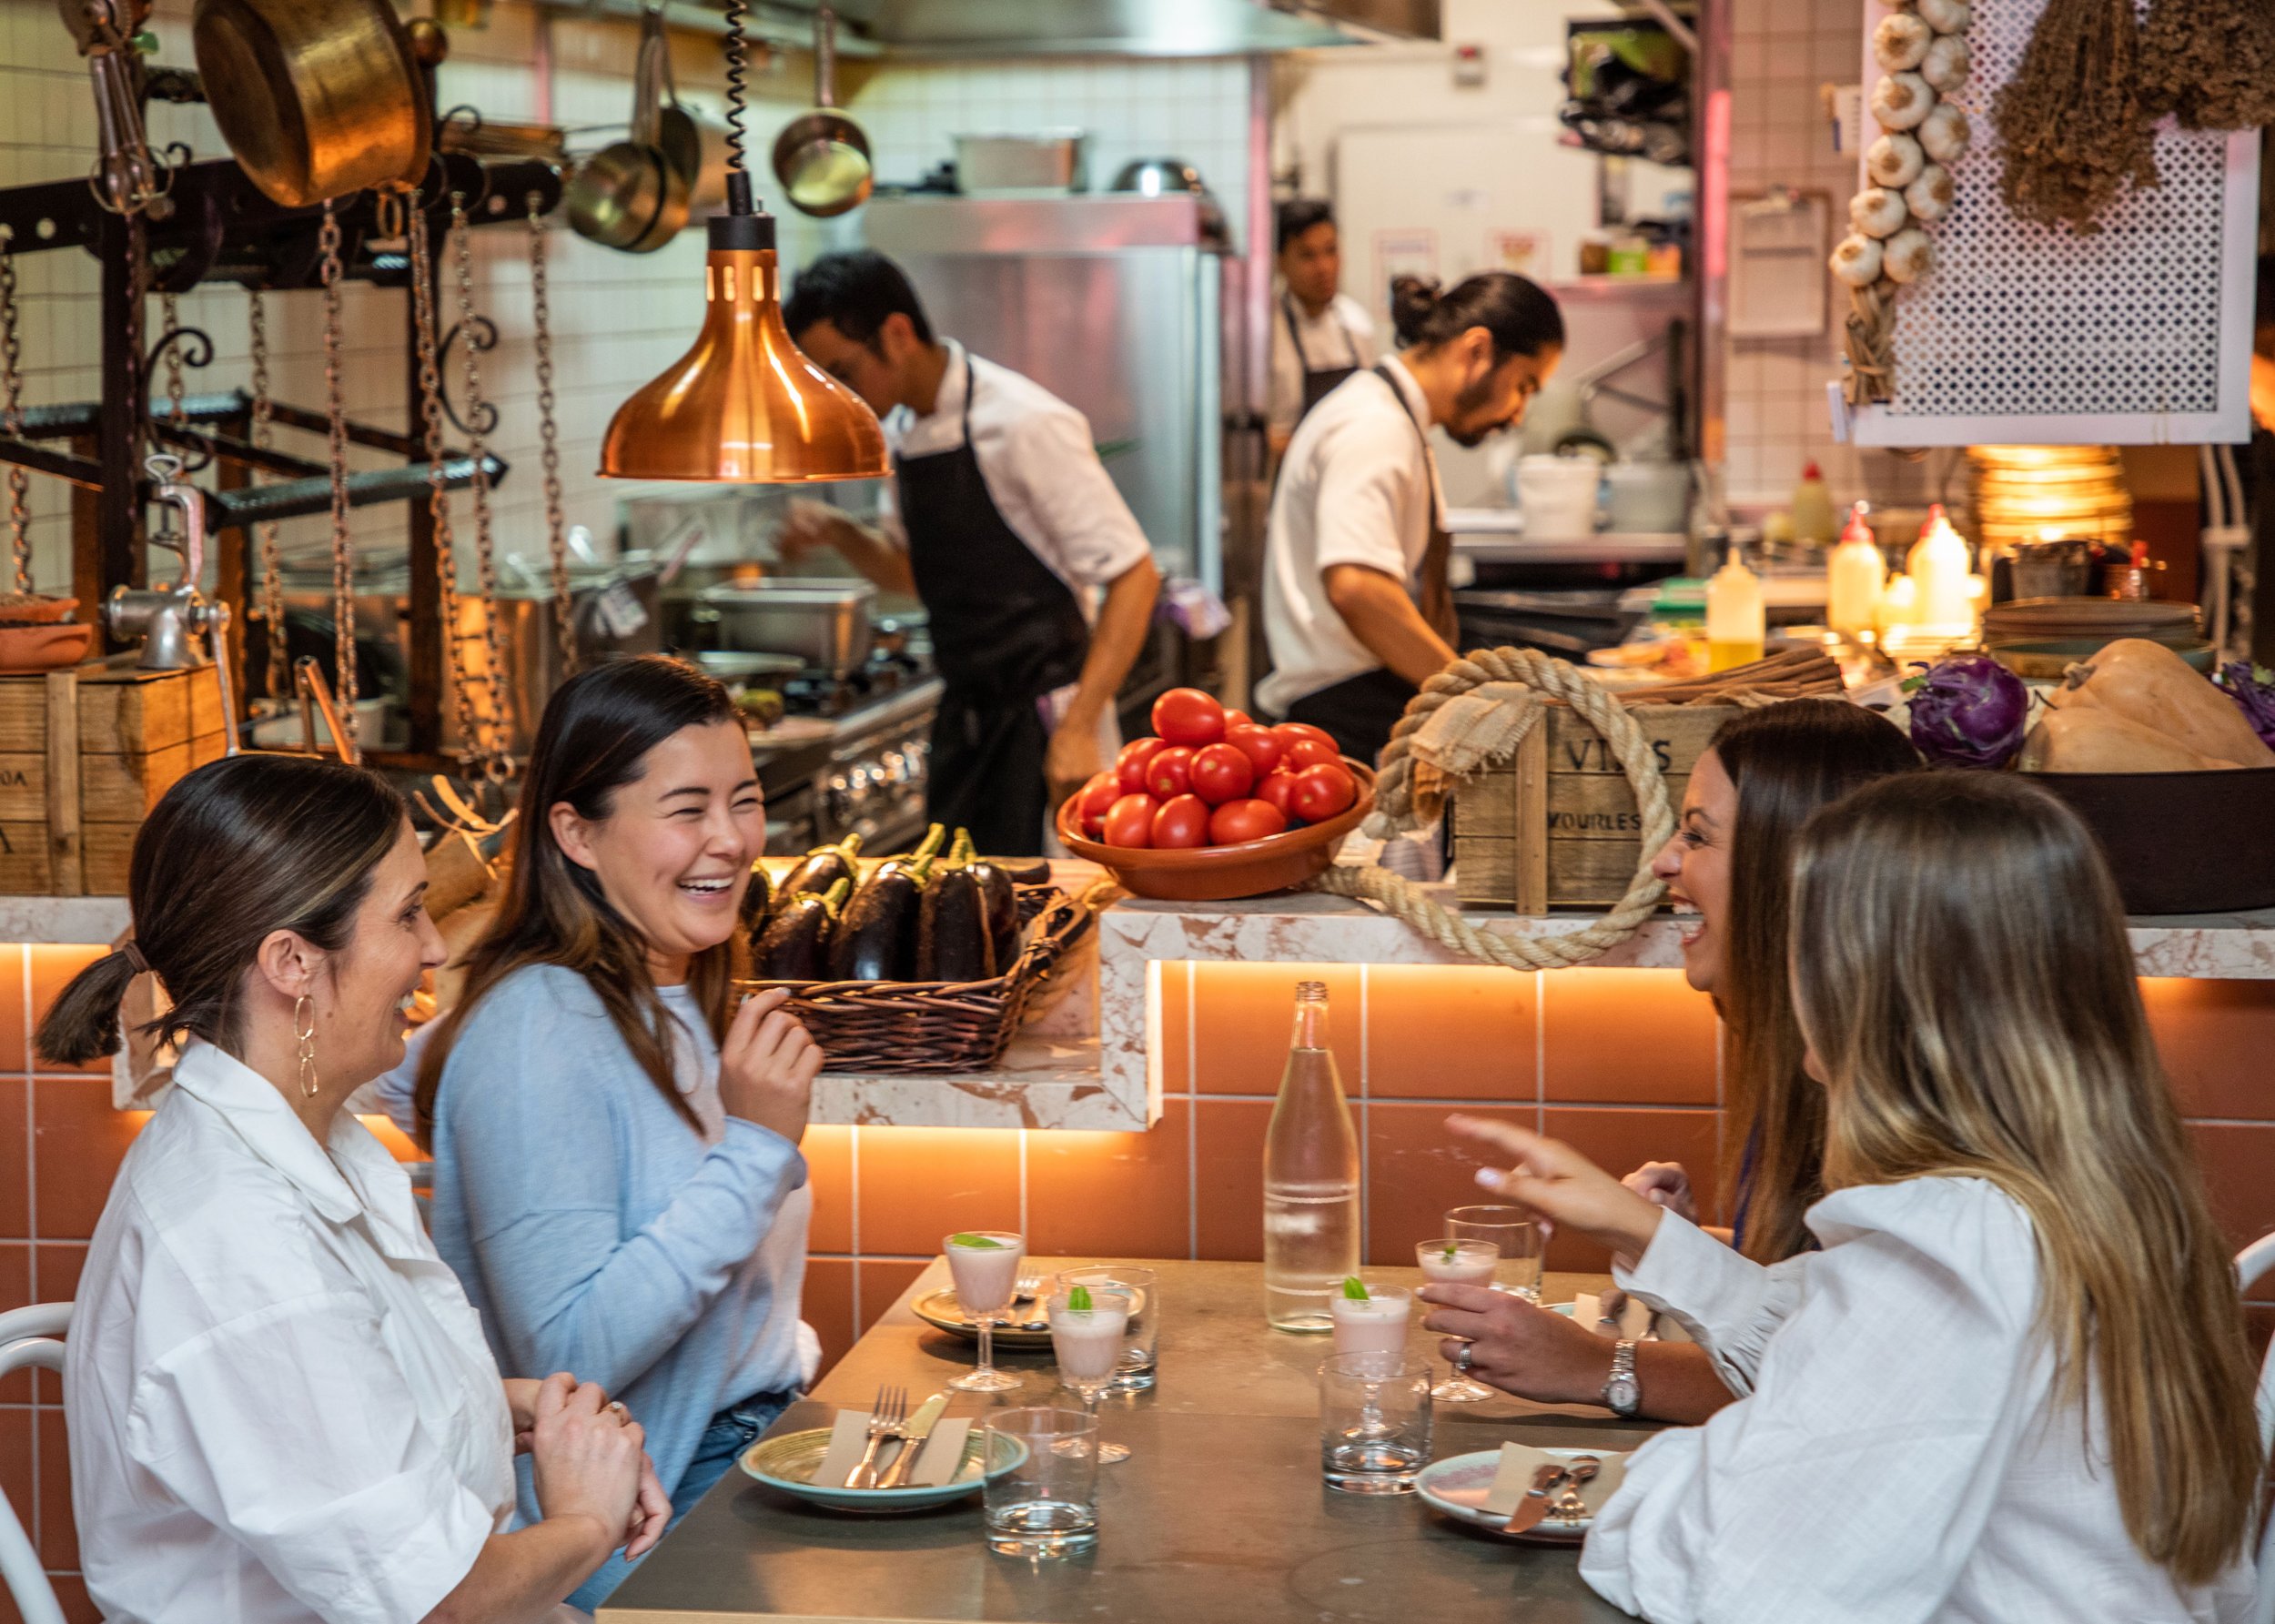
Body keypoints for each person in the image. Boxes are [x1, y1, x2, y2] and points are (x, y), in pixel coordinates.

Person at [1450, 772, 2262, 1621]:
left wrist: (1661, 1478)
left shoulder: (1958, 1243)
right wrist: (1650, 1236)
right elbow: (1839, 1354)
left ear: (1870, 991)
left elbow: (1746, 1585)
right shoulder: (2099, 1200)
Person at [44, 751, 668, 1623]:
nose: (436, 946)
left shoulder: (313, 1136)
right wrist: (588, 1518)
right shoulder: (240, 1239)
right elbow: (441, 1599)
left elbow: (309, 1411)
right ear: (293, 961)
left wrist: (499, 1406)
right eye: (409, 914)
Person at [408, 656, 823, 1610]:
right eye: (687, 809)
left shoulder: (677, 992)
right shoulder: (538, 1028)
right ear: (575, 832)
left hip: (749, 1445)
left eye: (744, 799)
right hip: (651, 1523)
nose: (729, 840)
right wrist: (754, 1153)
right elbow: (570, 1354)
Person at [1420, 699, 1920, 1424]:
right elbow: (1818, 1290)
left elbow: (1845, 1378)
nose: (1664, 862)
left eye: (1698, 835)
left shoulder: (1890, 1098)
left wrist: (1600, 1365)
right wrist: (1674, 1238)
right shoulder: (1795, 1052)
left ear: (1792, 866)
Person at [778, 250, 1162, 853]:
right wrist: (841, 532)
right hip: (963, 720)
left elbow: (1135, 575)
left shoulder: (1023, 423)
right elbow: (912, 573)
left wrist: (1081, 727)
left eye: (843, 372)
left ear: (897, 334)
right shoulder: (902, 433)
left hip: (1050, 717)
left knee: (1054, 916)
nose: (837, 396)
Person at [1258, 271, 1563, 764]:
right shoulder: (1373, 427)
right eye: (1524, 386)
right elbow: (1357, 586)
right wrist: (1472, 698)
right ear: (1478, 351)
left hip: (1361, 707)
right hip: (1341, 723)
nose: (1518, 414)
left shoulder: (1394, 419)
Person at [1267, 199, 1378, 457]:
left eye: (1331, 251)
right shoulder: (1268, 332)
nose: (1324, 268)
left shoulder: (1357, 324)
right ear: (1280, 262)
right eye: (1308, 255)